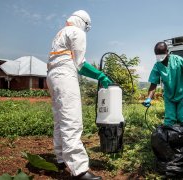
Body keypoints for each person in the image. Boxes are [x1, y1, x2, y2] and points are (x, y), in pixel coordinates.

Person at [47, 10, 111, 180]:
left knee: (60, 120)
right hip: (64, 75)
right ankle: (80, 171)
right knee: (71, 120)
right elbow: (80, 64)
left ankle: (61, 159)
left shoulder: (60, 33)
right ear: (84, 22)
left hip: (52, 75)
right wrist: (100, 75)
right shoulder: (77, 32)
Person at [143, 42, 183, 126]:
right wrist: (149, 98)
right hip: (169, 97)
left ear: (167, 51)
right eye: (157, 55)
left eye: (161, 54)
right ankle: (170, 137)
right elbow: (153, 84)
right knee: (169, 120)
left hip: (182, 94)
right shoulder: (157, 66)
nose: (160, 57)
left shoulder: (177, 59)